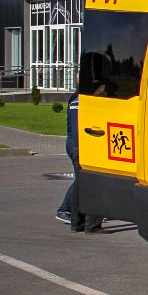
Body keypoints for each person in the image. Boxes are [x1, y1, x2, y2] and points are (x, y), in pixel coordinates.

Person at [56, 90, 103, 233]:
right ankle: (68, 211)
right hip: (80, 146)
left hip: (80, 145)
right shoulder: (79, 101)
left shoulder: (80, 99)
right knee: (85, 181)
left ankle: (77, 219)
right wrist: (79, 151)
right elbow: (77, 129)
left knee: (82, 180)